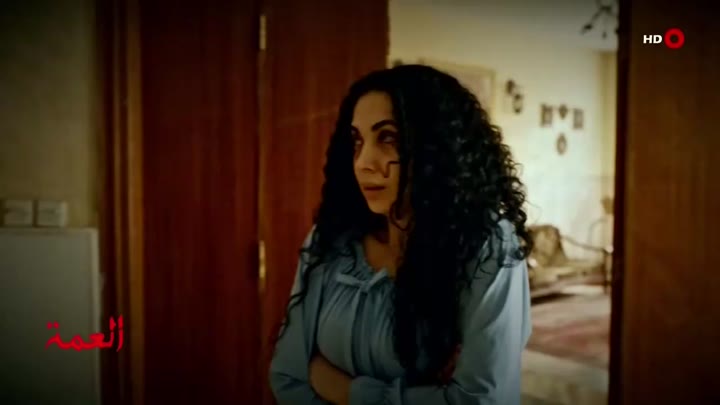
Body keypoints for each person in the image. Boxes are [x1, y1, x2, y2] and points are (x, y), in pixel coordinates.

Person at [269, 64, 533, 405]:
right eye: (357, 141)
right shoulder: (331, 238)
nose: (363, 162)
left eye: (388, 138)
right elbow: (288, 375)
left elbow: (479, 400)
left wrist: (348, 392)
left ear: (436, 148)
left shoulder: (487, 244)